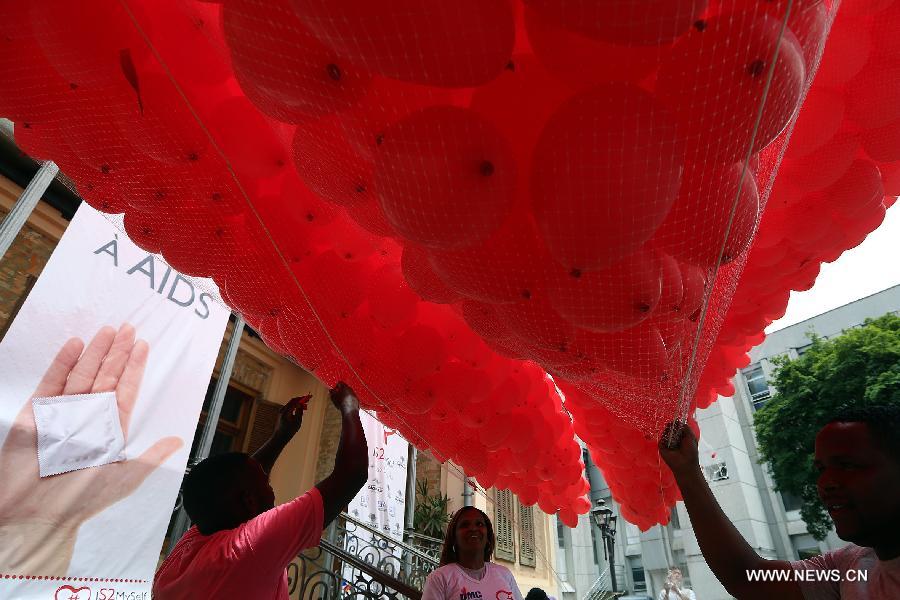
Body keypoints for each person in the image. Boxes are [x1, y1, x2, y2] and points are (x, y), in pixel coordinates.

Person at [153, 381, 368, 599]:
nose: (269, 483)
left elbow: (240, 479)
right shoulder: (246, 548)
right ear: (249, 502)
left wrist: (282, 435)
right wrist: (350, 406)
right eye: (266, 483)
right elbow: (352, 473)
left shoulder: (198, 536)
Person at [659, 405, 900, 599]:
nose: (826, 482)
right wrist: (687, 471)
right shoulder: (848, 569)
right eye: (821, 469)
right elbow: (748, 578)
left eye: (847, 465)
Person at [422, 506, 524, 600]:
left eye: (479, 524)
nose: (473, 529)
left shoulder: (504, 574)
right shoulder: (439, 579)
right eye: (464, 525)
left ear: (488, 536)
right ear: (454, 537)